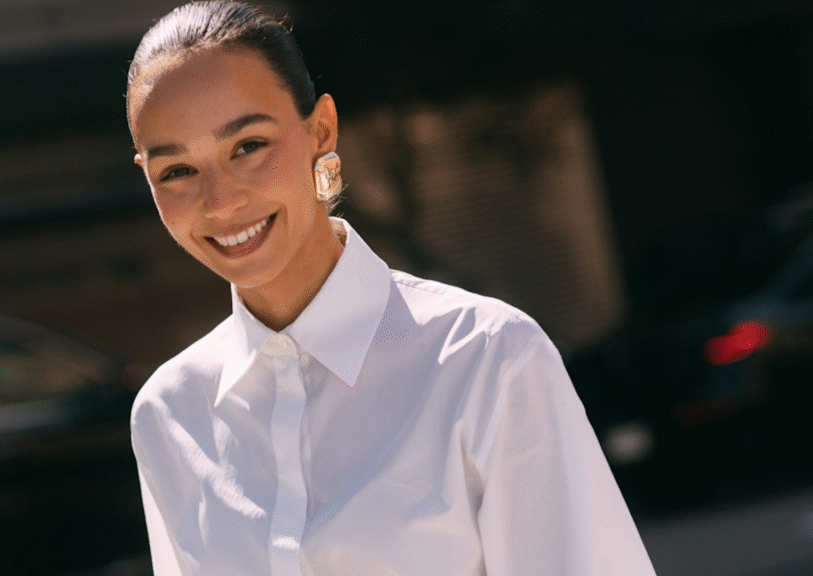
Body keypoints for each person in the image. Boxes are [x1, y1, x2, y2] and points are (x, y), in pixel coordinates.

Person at [126, 2, 657, 574]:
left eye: (248, 146)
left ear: (320, 130)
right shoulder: (167, 415)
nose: (222, 201)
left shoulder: (486, 359)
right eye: (177, 171)